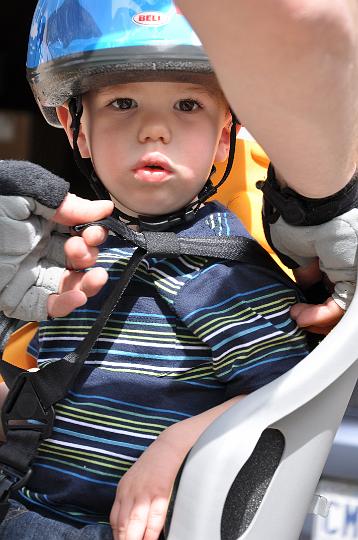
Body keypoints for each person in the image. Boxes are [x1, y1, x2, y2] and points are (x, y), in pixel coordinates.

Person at [0, 1, 313, 540]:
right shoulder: (65, 247)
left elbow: (290, 398)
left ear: (223, 138)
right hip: (23, 502)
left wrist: (179, 445)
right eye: (122, 102)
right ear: (78, 130)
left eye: (188, 104)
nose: (154, 129)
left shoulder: (226, 273)